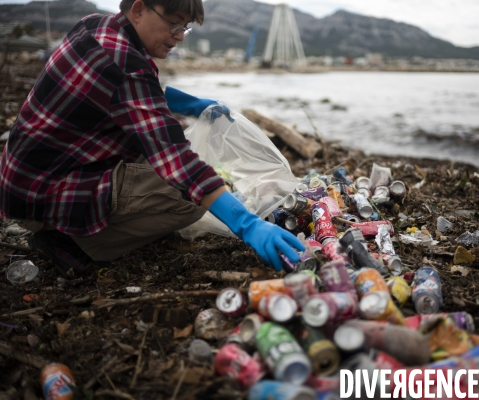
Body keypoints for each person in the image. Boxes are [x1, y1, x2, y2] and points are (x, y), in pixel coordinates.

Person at [0, 0, 304, 276]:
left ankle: (96, 223)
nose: (180, 35)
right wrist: (247, 224)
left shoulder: (97, 24)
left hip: (27, 176)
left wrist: (190, 103)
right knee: (189, 200)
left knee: (171, 161)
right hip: (42, 193)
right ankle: (68, 240)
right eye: (173, 23)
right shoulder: (125, 64)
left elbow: (126, 94)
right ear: (139, 9)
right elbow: (177, 159)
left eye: (184, 27)